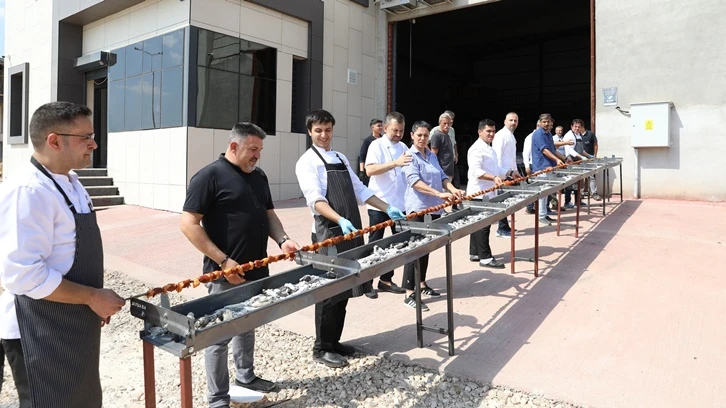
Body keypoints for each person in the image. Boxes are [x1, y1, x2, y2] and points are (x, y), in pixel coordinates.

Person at [0, 101, 125, 408]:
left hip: (73, 318)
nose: (94, 144)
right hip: (38, 330)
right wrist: (92, 297)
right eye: (86, 137)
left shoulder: (72, 182)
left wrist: (91, 302)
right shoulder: (29, 190)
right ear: (54, 141)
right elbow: (24, 274)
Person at [181, 122, 301, 406]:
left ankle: (245, 376)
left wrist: (283, 239)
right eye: (253, 149)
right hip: (224, 274)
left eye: (260, 149)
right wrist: (223, 261)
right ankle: (217, 398)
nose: (258, 155)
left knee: (248, 323)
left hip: (256, 269)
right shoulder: (209, 176)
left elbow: (269, 214)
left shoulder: (258, 176)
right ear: (233, 146)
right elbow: (188, 223)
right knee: (219, 335)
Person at [295, 109, 405, 369]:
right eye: (318, 130)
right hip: (328, 233)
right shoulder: (307, 162)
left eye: (328, 130)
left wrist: (387, 207)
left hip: (350, 231)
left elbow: (361, 190)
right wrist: (339, 219)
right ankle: (321, 348)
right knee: (328, 291)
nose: (324, 135)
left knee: (345, 288)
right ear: (310, 132)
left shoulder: (340, 158)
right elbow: (315, 200)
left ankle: (335, 342)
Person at [401, 121, 465, 310]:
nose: (422, 139)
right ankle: (409, 292)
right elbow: (414, 182)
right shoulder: (409, 156)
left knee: (427, 247)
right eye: (419, 135)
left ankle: (421, 283)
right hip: (418, 209)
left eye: (425, 135)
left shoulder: (430, 155)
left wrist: (452, 189)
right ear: (412, 135)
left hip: (434, 209)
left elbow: (442, 176)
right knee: (414, 249)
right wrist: (438, 194)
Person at [363, 112, 410, 298]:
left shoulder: (404, 147)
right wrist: (395, 163)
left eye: (401, 131)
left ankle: (386, 279)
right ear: (385, 128)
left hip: (399, 205)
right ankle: (366, 282)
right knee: (375, 245)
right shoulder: (376, 145)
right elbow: (370, 170)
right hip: (379, 204)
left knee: (398, 245)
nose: (398, 134)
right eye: (395, 130)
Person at [467, 119, 508, 269]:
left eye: (493, 131)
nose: (491, 134)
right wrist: (494, 178)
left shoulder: (489, 148)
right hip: (479, 193)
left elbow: (495, 169)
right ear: (480, 132)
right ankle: (485, 257)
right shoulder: (476, 149)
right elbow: (476, 171)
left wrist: (509, 173)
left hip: (488, 192)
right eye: (488, 131)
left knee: (477, 224)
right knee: (483, 226)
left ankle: (475, 252)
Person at [531, 113, 568, 226]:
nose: (546, 124)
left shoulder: (548, 134)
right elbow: (545, 150)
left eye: (548, 121)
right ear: (540, 123)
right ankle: (541, 216)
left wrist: (565, 159)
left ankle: (544, 214)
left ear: (551, 122)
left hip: (549, 166)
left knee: (546, 192)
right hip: (541, 167)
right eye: (544, 122)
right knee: (542, 193)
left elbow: (553, 150)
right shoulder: (538, 134)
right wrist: (557, 160)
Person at [492, 112, 521, 237]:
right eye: (511, 120)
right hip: (503, 174)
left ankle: (505, 226)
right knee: (502, 202)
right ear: (505, 121)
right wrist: (501, 174)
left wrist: (515, 171)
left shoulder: (511, 136)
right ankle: (501, 228)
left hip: (510, 174)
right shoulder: (501, 135)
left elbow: (511, 157)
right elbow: (497, 157)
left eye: (515, 120)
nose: (513, 123)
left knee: (508, 202)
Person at [562, 119, 592, 208]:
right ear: (571, 126)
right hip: (571, 161)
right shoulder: (569, 135)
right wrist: (581, 157)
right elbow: (570, 150)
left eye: (579, 127)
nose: (577, 128)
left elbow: (581, 150)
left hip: (578, 161)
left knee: (579, 182)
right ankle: (567, 202)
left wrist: (589, 156)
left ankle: (578, 201)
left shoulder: (578, 135)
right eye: (575, 126)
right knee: (570, 182)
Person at [429, 112, 457, 186]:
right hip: (441, 173)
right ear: (440, 123)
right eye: (444, 123)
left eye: (449, 124)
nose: (447, 126)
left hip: (448, 172)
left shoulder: (447, 134)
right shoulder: (437, 135)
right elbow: (433, 156)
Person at [358, 118, 383, 186]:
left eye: (381, 126)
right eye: (378, 126)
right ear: (372, 127)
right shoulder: (367, 141)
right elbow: (362, 156)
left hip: (382, 169)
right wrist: (362, 171)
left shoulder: (384, 140)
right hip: (371, 170)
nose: (380, 127)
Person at [581, 124, 601, 200]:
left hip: (590, 159)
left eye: (579, 127)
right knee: (580, 177)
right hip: (580, 159)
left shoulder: (590, 134)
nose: (577, 129)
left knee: (591, 176)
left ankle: (594, 193)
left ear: (582, 127)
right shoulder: (576, 135)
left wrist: (594, 155)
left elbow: (595, 144)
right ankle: (580, 193)